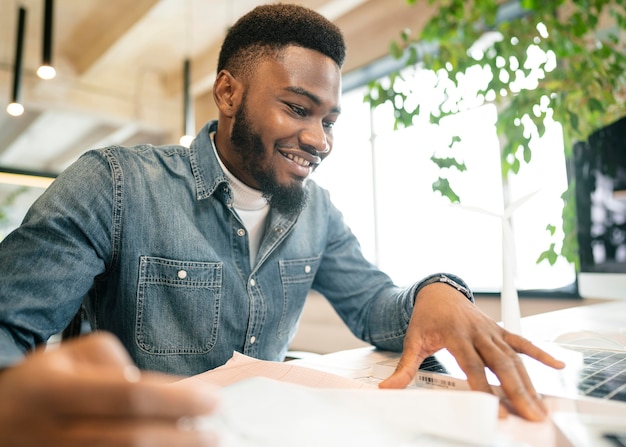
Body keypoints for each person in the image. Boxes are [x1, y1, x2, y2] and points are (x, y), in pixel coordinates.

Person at [0, 3, 564, 444]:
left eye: (330, 119)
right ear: (228, 92)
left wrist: (434, 294)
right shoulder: (115, 185)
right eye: (298, 108)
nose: (319, 140)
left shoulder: (316, 211)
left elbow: (372, 306)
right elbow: (9, 324)